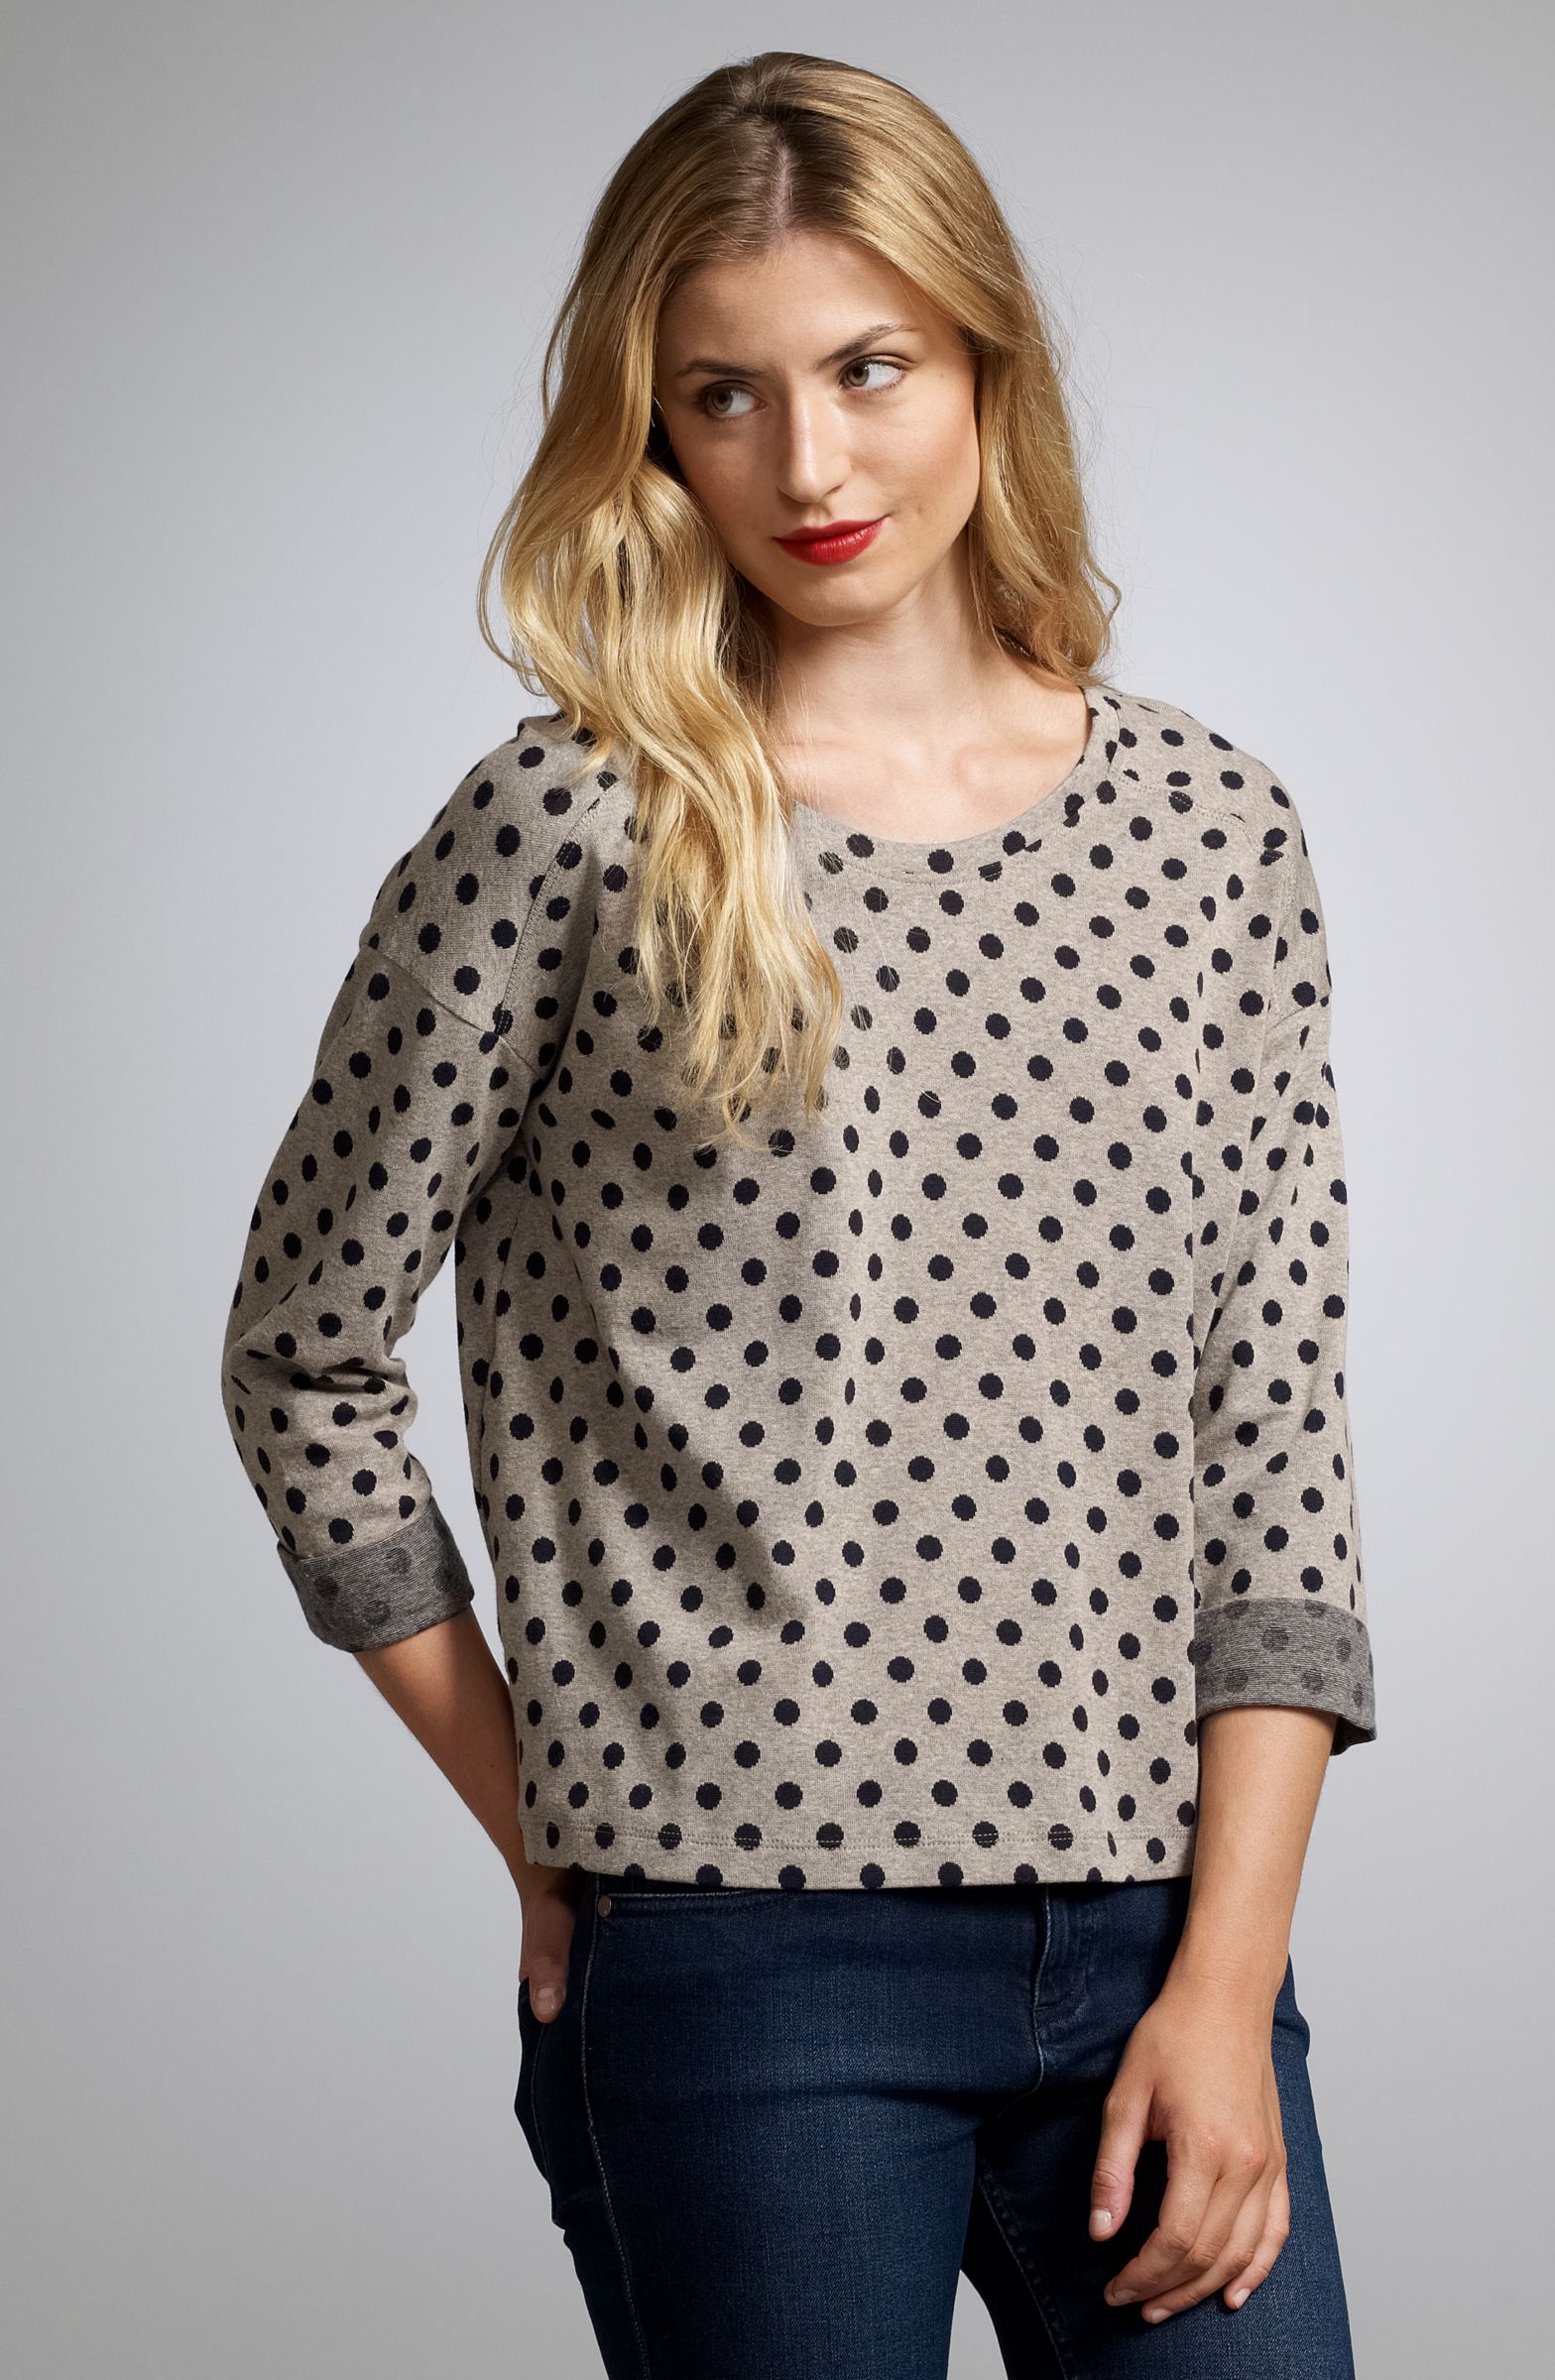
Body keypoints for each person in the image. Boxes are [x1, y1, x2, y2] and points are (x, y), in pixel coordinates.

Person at [218, 48, 1376, 2379]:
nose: (812, 468)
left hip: (1165, 1945)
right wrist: (541, 1818)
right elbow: (303, 1358)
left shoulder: (1213, 832)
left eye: (870, 371)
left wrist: (1230, 1975)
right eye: (724, 396)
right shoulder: (571, 826)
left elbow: (1274, 1441)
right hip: (742, 1959)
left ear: (986, 361)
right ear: (650, 430)